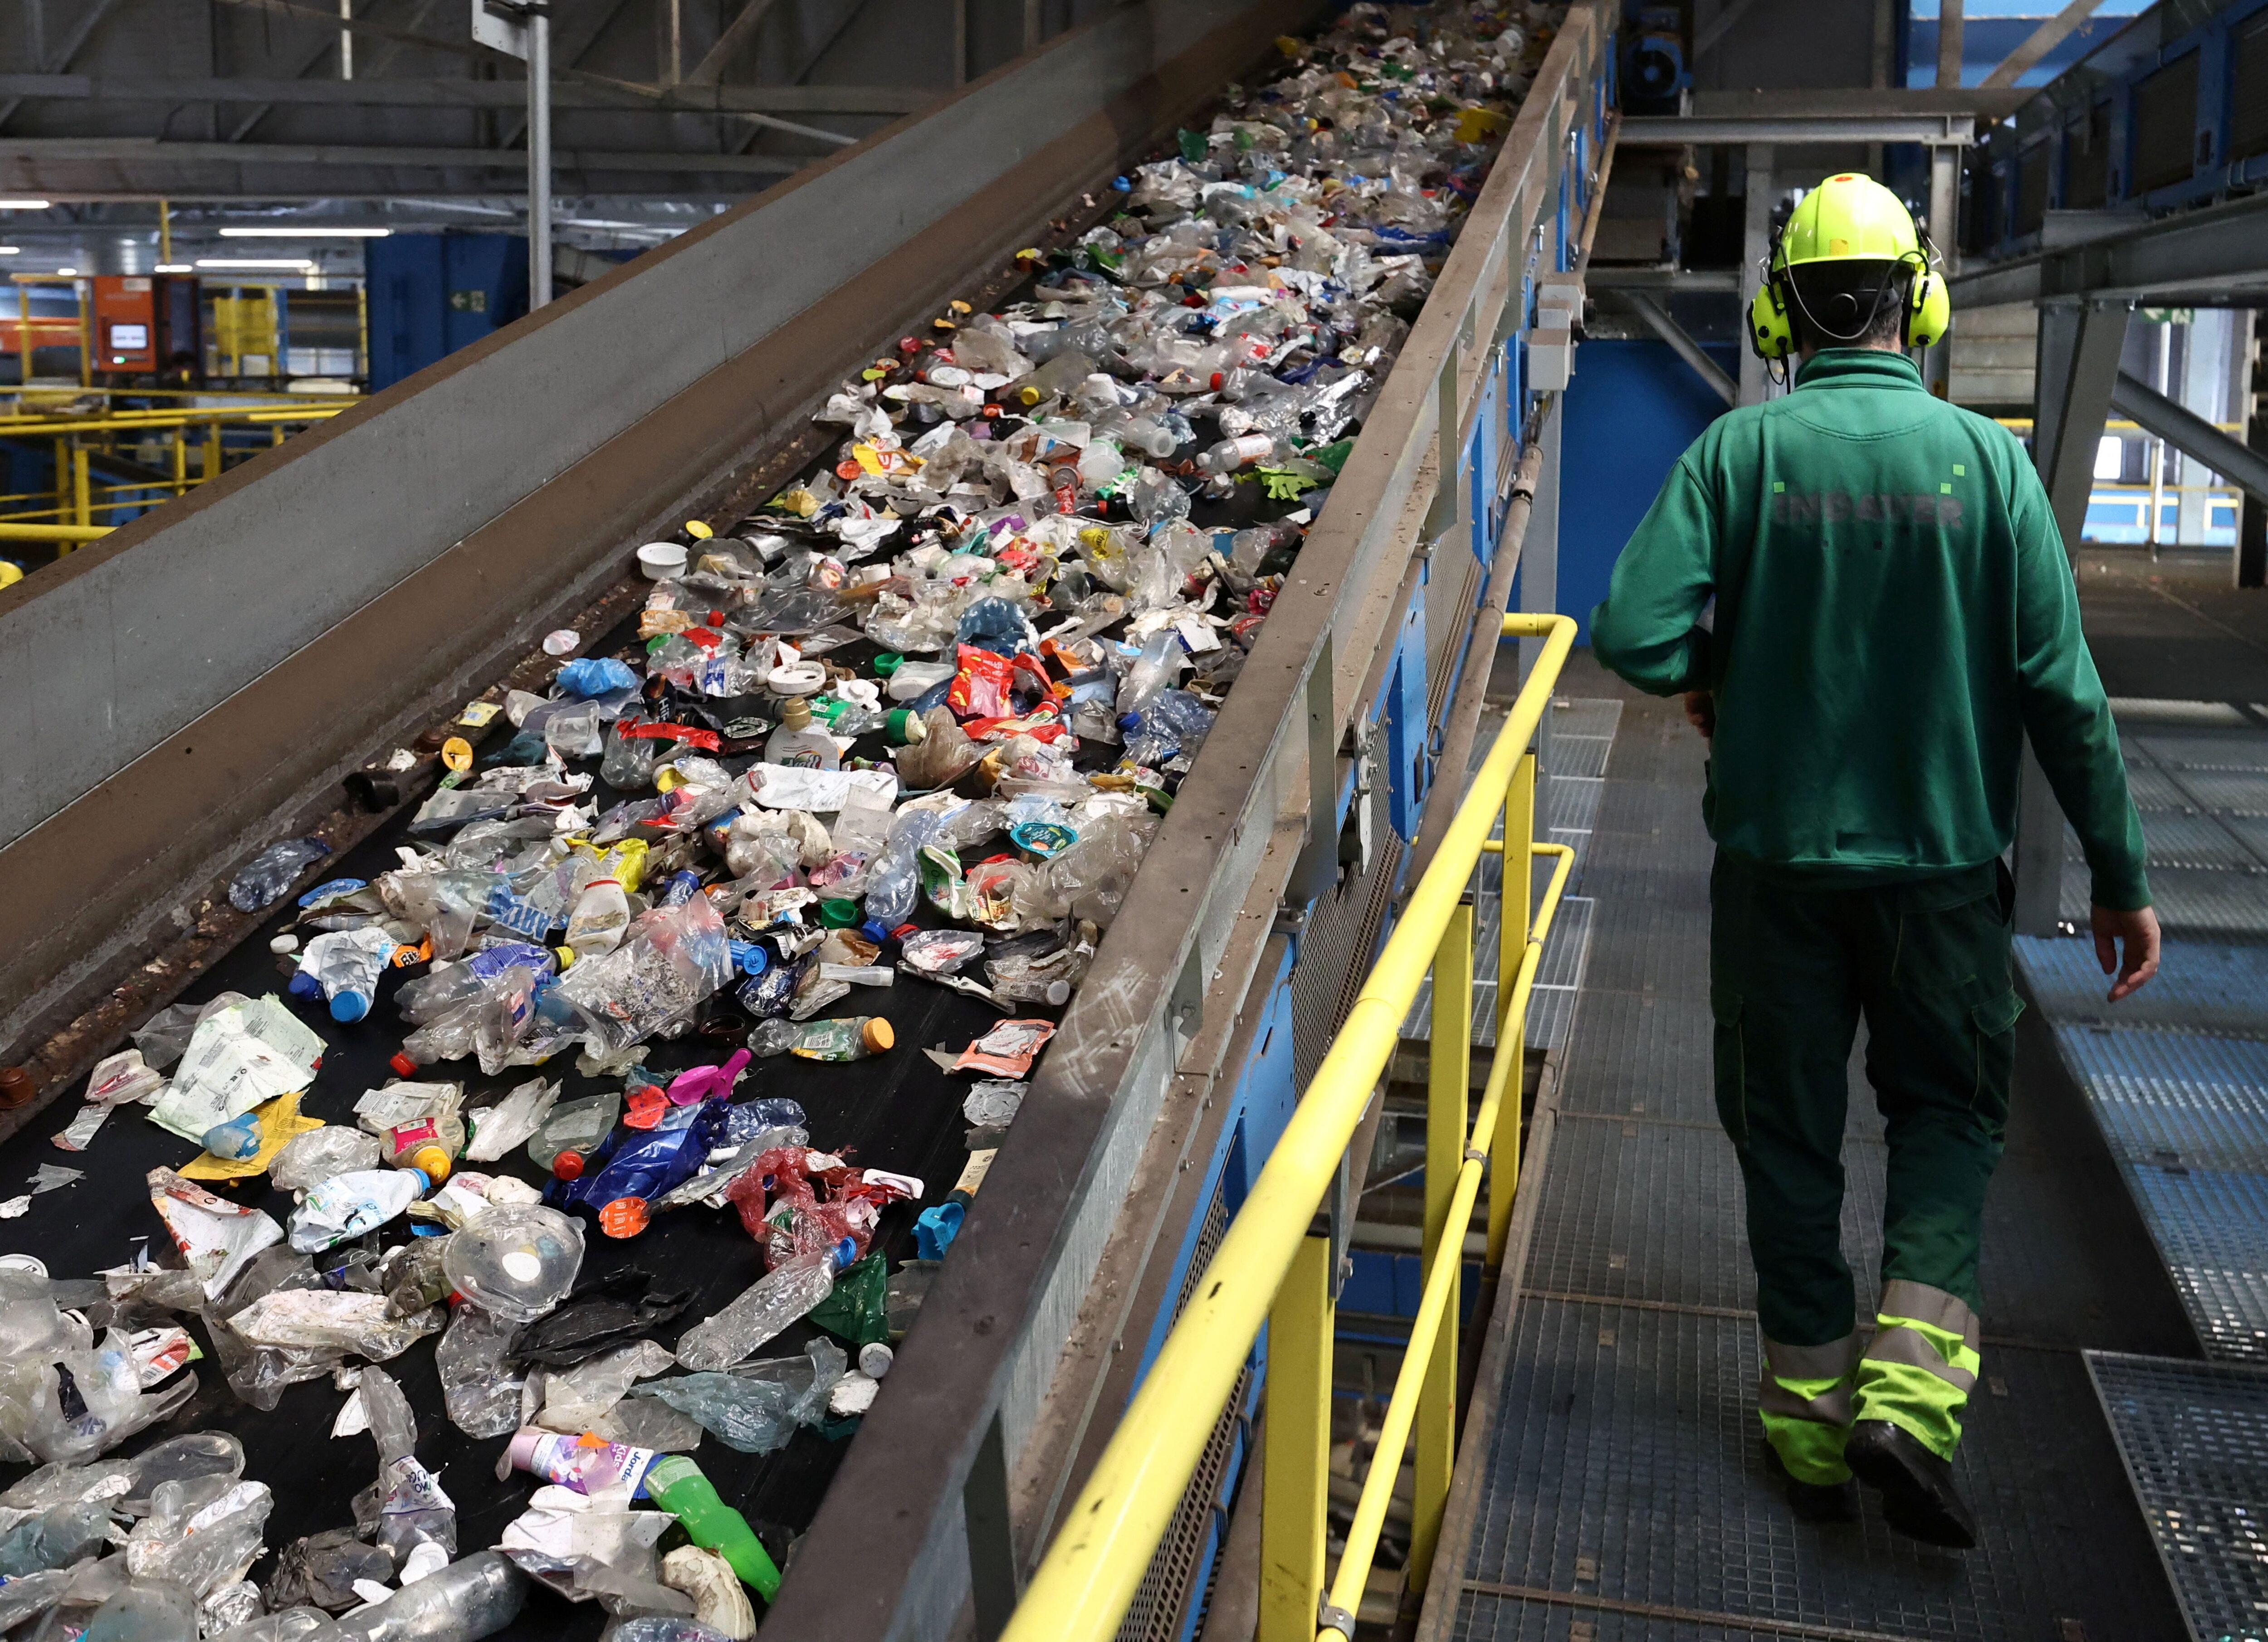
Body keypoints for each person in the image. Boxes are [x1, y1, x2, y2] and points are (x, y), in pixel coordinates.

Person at [1589, 173, 2160, 1548]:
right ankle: (1911, 1402)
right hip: (1943, 886)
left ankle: (1806, 1435)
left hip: (1778, 886)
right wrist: (2120, 877)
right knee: (1949, 1122)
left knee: (1787, 1146)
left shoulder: (1739, 456)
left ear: (1784, 310)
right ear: (1923, 299)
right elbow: (2064, 696)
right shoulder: (1993, 464)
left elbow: (1631, 632)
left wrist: (1719, 669)